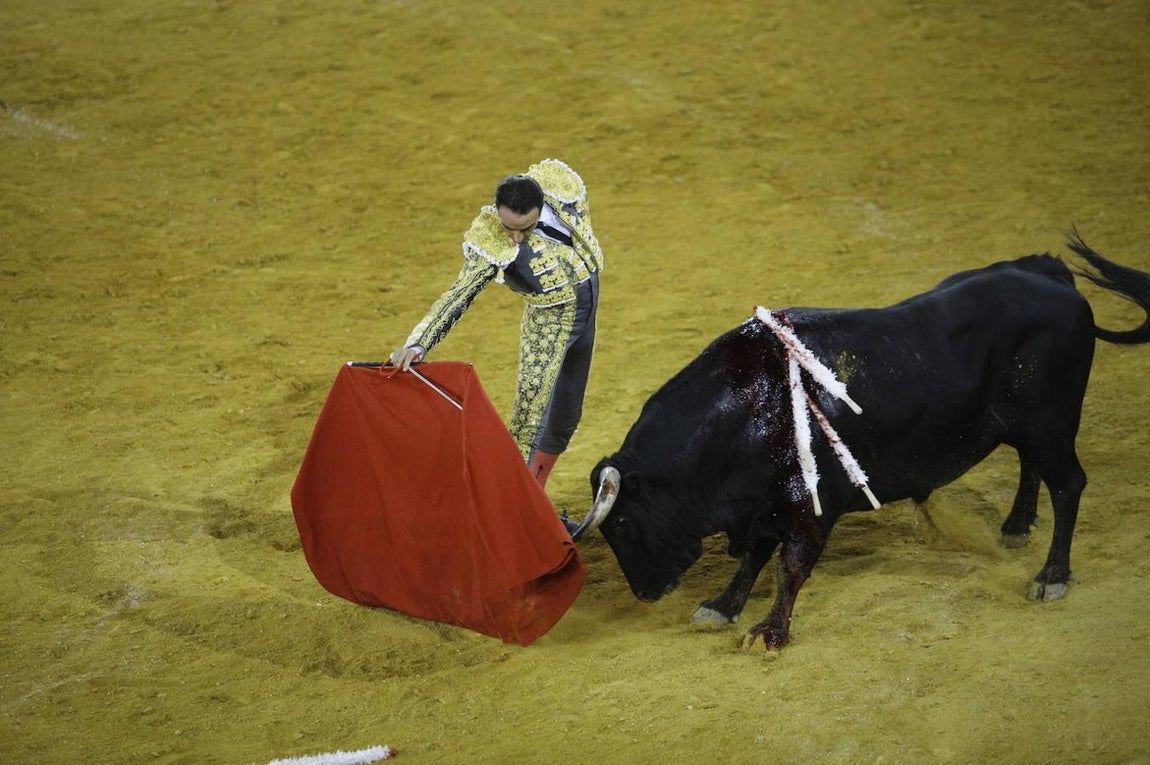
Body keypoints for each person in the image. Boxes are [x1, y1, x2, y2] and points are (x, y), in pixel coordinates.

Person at [390, 158, 604, 493]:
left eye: (526, 228)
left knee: (566, 413)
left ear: (541, 208)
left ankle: (535, 493)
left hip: (589, 311)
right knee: (528, 423)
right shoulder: (490, 238)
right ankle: (510, 505)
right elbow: (460, 293)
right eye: (509, 228)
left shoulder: (560, 188)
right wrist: (418, 343)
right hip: (548, 326)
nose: (516, 239)